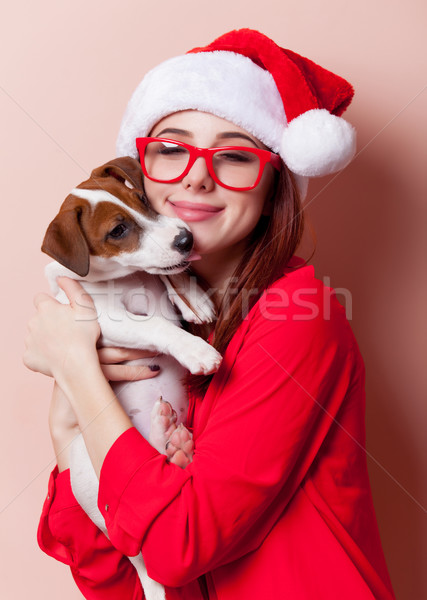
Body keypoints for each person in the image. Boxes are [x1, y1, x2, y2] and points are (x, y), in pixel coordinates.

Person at [24, 29, 396, 600]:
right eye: (171, 149)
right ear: (136, 172)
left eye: (236, 155)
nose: (198, 175)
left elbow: (175, 546)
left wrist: (76, 369)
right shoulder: (164, 315)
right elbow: (108, 572)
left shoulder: (298, 317)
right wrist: (65, 427)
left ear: (274, 182)